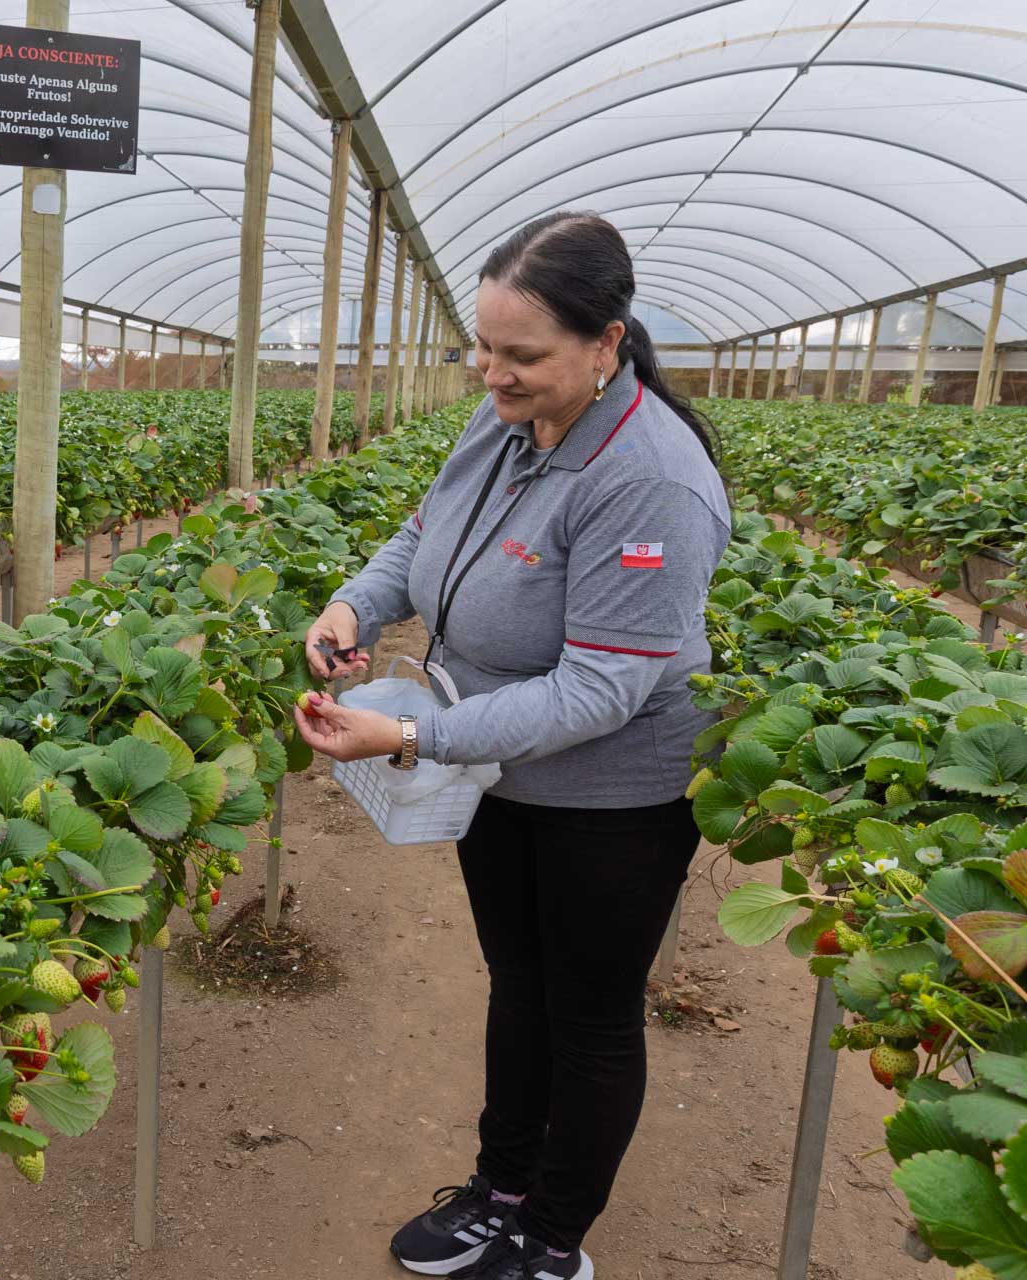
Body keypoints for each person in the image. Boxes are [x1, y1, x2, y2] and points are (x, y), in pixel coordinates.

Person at [295, 211, 730, 1280]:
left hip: (614, 793)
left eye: (523, 355)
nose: (495, 372)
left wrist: (410, 733)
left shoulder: (651, 479)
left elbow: (598, 690)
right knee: (518, 978)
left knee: (587, 1006)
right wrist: (353, 605)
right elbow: (420, 535)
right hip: (500, 764)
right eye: (483, 348)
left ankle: (553, 1234)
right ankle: (500, 1188)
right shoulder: (503, 421)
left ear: (605, 343)